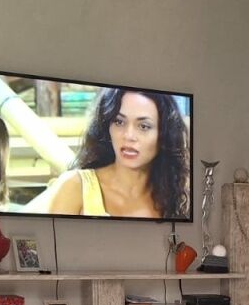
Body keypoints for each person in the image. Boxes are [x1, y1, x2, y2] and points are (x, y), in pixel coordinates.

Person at [25, 88, 190, 218]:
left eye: (143, 126)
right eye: (119, 122)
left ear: (164, 135)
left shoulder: (177, 199)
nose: (128, 135)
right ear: (107, 127)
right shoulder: (75, 187)